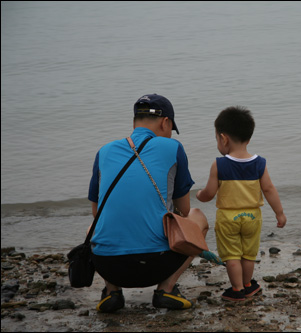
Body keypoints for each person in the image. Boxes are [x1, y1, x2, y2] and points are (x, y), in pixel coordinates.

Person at [88, 93, 220, 313]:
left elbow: (96, 212)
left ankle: (112, 291)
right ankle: (166, 289)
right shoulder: (173, 147)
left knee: (94, 226)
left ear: (134, 122)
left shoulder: (104, 151)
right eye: (170, 128)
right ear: (165, 122)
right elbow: (184, 210)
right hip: (158, 263)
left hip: (108, 265)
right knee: (198, 216)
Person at [196, 105, 287, 301]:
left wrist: (199, 195)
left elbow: (209, 193)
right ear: (249, 137)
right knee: (248, 254)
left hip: (228, 217)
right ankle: (248, 284)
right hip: (253, 216)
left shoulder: (219, 165)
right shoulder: (259, 163)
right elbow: (269, 189)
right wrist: (279, 213)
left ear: (223, 138)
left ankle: (237, 289)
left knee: (231, 256)